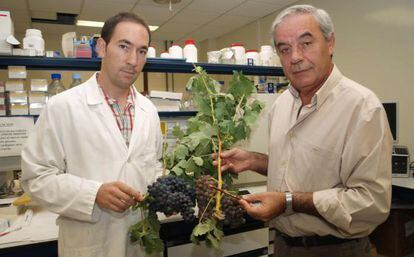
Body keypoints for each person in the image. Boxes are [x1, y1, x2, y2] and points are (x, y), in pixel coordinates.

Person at [215, 5, 392, 257]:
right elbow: (300, 168)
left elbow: (371, 203)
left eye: (306, 43)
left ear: (330, 43)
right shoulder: (282, 105)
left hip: (336, 250)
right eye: (284, 49)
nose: (295, 57)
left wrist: (288, 201)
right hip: (284, 247)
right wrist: (254, 160)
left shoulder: (362, 108)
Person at [21, 12, 162, 257]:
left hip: (141, 241)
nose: (133, 60)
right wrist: (94, 193)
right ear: (101, 47)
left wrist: (163, 191)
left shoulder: (148, 110)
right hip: (90, 245)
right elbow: (36, 177)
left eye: (142, 51)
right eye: (123, 46)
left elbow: (154, 166)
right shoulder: (62, 106)